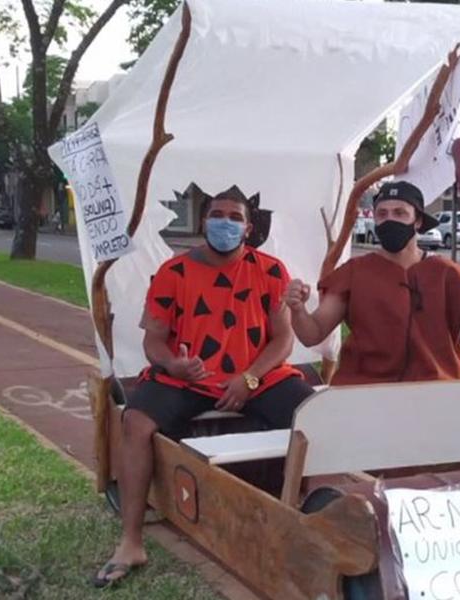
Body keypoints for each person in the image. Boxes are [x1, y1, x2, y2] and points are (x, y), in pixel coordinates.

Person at [93, 186, 315, 587]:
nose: (225, 223)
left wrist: (249, 378)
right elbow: (153, 341)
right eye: (217, 214)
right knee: (135, 422)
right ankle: (130, 540)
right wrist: (174, 364)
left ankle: (300, 517)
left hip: (254, 376)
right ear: (203, 221)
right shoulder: (172, 273)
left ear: (248, 228)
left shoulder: (270, 270)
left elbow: (282, 340)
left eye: (235, 217)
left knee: (311, 417)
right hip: (189, 378)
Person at [283, 180, 460, 385]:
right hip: (365, 389)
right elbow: (312, 334)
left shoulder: (446, 272)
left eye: (400, 213)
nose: (390, 220)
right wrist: (298, 309)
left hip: (435, 388)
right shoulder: (354, 272)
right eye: (382, 214)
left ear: (417, 221)